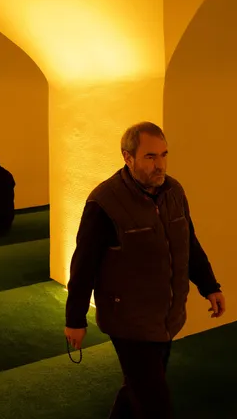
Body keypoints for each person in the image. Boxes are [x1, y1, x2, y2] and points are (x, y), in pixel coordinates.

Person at [64, 122, 225, 419]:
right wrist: (75, 319)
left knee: (137, 389)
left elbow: (188, 242)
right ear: (128, 157)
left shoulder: (174, 191)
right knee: (156, 405)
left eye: (164, 155)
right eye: (151, 157)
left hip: (166, 317)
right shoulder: (104, 203)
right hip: (128, 321)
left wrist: (210, 285)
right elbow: (83, 263)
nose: (160, 165)